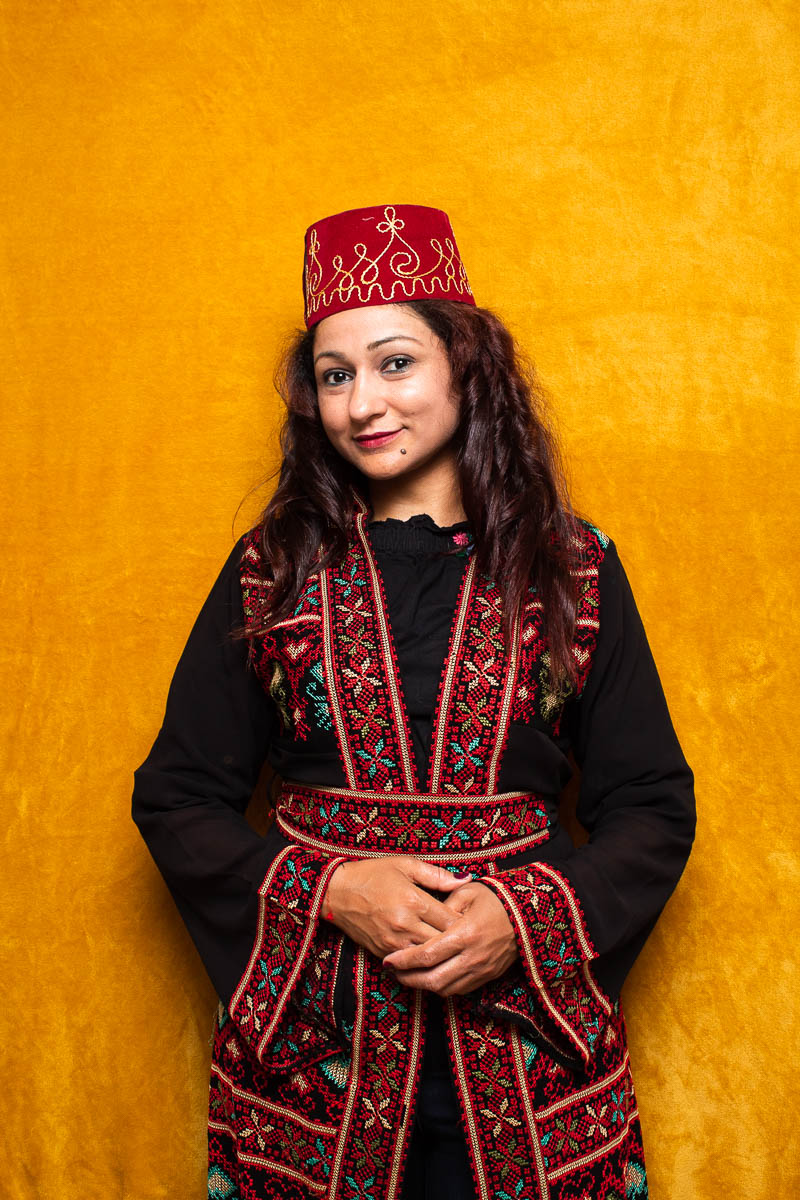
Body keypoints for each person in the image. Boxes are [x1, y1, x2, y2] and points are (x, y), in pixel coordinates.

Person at [132, 203, 695, 1200]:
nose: (361, 403)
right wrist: (328, 891)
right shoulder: (269, 570)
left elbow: (649, 804)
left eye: (395, 362)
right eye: (335, 374)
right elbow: (177, 796)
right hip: (316, 1068)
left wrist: (521, 918)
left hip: (529, 1067)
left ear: (463, 368)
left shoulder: (573, 567)